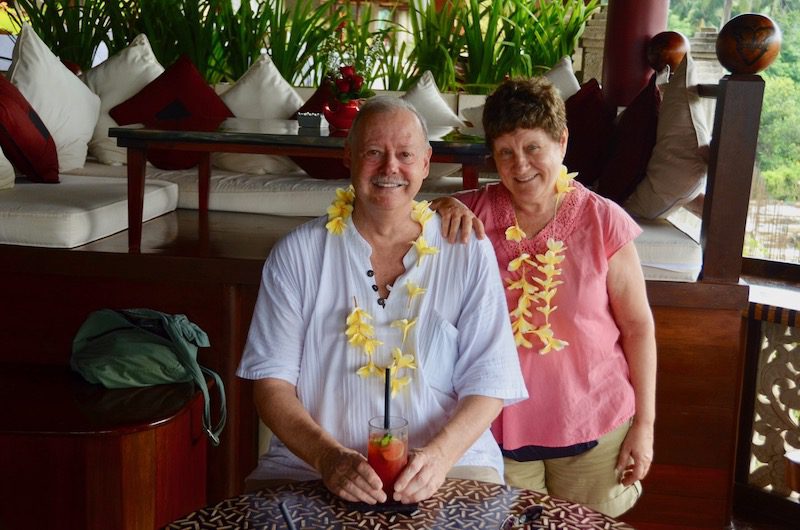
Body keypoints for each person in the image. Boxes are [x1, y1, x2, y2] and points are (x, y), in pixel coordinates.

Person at [236, 96, 528, 505]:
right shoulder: (297, 254)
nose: (391, 167)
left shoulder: (465, 249)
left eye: (405, 154)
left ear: (425, 163)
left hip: (452, 466)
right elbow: (271, 385)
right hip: (309, 467)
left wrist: (440, 457)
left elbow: (490, 381)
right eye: (374, 152)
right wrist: (327, 457)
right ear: (349, 157)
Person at [432, 78, 657, 517]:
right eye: (505, 153)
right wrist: (441, 204)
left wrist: (644, 427)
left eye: (533, 148)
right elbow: (405, 219)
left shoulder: (604, 220)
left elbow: (638, 327)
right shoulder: (469, 217)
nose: (520, 167)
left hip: (593, 420)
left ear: (561, 142)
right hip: (496, 427)